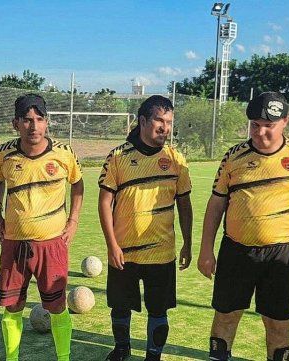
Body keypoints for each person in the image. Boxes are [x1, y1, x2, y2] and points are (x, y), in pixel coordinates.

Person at [197, 92, 289, 361]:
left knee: (278, 324)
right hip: (236, 251)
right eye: (255, 124)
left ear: (285, 121)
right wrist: (205, 250)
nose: (261, 132)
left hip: (282, 253)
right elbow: (216, 204)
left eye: (269, 125)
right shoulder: (234, 157)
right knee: (226, 317)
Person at [98, 95, 193, 361]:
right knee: (119, 306)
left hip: (162, 254)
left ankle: (153, 355)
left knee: (158, 309)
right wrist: (112, 245)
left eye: (169, 122)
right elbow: (105, 203)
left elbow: (184, 205)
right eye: (159, 120)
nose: (165, 127)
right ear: (142, 121)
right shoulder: (118, 157)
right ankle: (121, 348)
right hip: (123, 251)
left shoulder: (176, 160)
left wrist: (187, 242)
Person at [0, 94, 84, 361]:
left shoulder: (64, 154)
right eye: (27, 120)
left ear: (47, 122)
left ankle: (64, 358)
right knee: (12, 307)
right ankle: (12, 358)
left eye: (39, 119)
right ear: (15, 123)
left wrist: (73, 220)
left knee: (57, 307)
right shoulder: (3, 154)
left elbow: (77, 184)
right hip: (13, 242)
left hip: (52, 243)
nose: (34, 126)